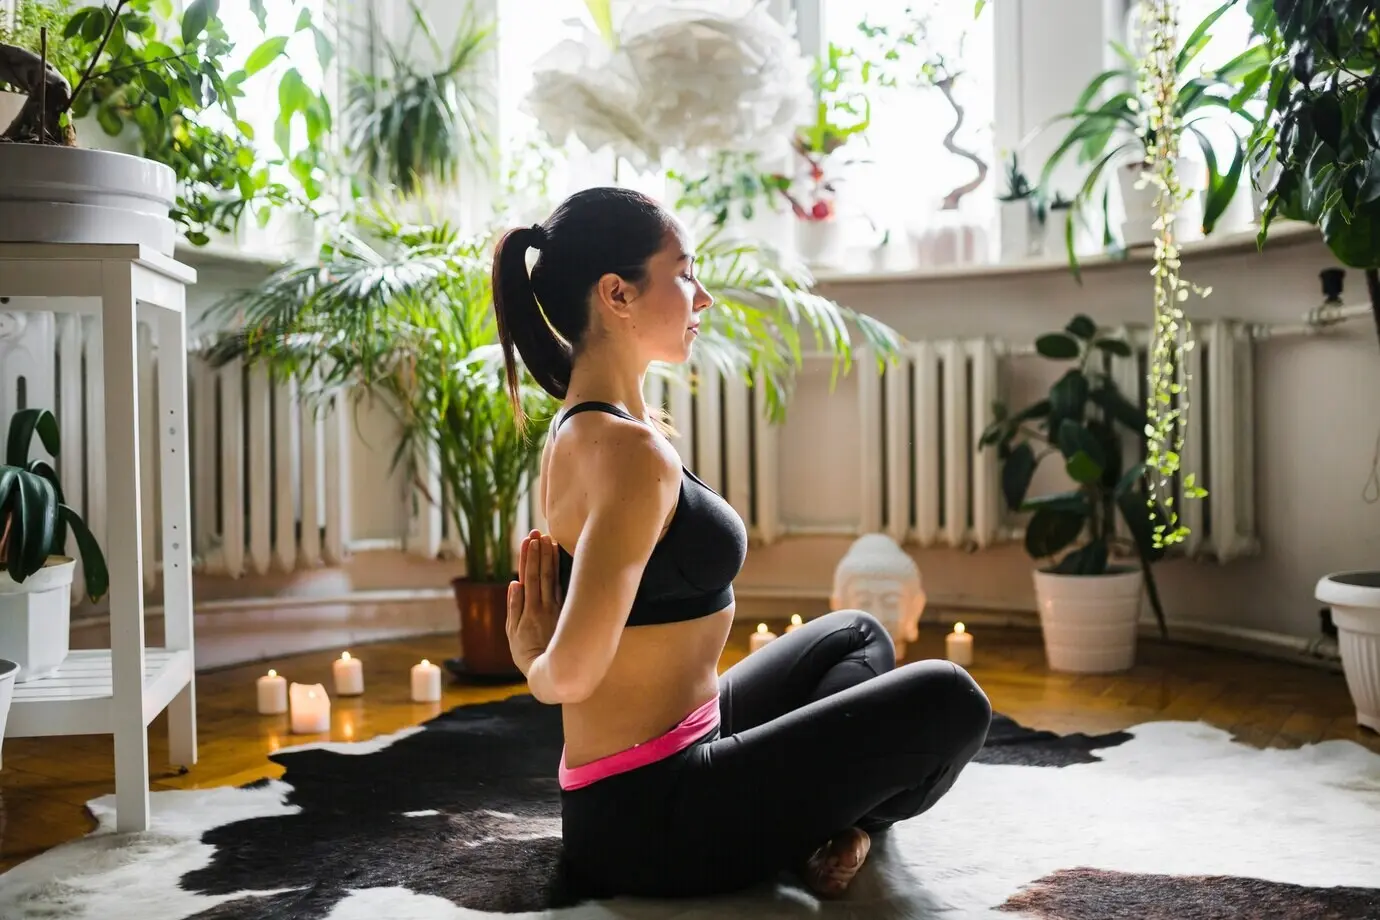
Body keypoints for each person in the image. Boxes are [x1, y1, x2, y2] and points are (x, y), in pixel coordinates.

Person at [491, 186, 992, 901]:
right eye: (683, 273)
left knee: (857, 636)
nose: (703, 297)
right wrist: (533, 661)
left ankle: (821, 822)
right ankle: (837, 823)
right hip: (651, 818)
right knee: (951, 700)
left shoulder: (593, 424)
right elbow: (569, 674)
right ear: (617, 294)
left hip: (688, 741)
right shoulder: (626, 453)